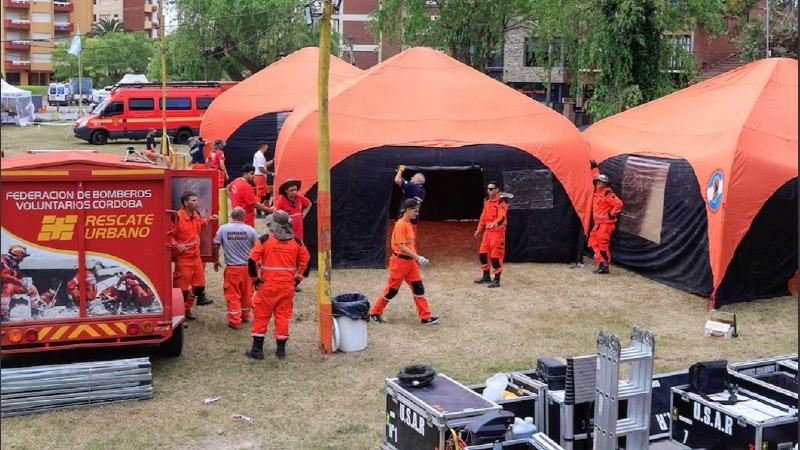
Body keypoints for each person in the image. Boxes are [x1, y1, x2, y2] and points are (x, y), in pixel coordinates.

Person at [244, 210, 310, 360]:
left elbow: (251, 261)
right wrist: (297, 280)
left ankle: (257, 350)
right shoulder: (296, 242)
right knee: (282, 317)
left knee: (261, 317)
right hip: (287, 287)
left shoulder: (265, 240)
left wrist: (255, 280)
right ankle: (281, 351)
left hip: (267, 286)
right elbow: (306, 262)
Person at [369, 198, 439, 325]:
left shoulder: (408, 223)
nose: (417, 214)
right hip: (400, 263)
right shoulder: (401, 224)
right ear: (407, 210)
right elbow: (402, 246)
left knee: (418, 288)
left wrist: (415, 259)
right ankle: (374, 313)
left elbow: (409, 245)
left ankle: (425, 316)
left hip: (410, 263)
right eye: (415, 211)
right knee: (392, 290)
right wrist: (419, 257)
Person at [170, 191, 219, 320]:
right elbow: (168, 236)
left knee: (199, 286)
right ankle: (181, 314)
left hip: (196, 257)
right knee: (182, 289)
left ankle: (187, 309)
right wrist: (176, 244)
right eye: (193, 201)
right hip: (183, 259)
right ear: (185, 203)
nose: (197, 203)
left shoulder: (196, 215)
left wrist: (209, 219)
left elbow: (199, 225)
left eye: (197, 200)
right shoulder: (177, 217)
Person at [213, 207, 259, 330]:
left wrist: (216, 261)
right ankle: (245, 316)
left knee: (233, 295)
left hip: (232, 268)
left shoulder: (223, 229)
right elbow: (258, 248)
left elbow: (216, 245)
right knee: (247, 294)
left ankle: (234, 321)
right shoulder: (250, 230)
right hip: (248, 268)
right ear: (243, 217)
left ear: (231, 216)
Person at [273, 178, 312, 292]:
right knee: (287, 259)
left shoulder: (299, 198)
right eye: (291, 190)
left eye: (295, 190)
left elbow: (308, 203)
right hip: (287, 236)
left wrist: (303, 214)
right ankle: (286, 281)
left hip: (299, 235)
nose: (294, 192)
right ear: (286, 191)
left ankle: (293, 281)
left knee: (299, 259)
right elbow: (275, 216)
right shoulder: (281, 201)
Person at [474, 181, 509, 288]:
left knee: (496, 257)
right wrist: (479, 229)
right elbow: (483, 216)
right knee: (483, 254)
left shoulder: (502, 202)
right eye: (488, 189)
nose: (488, 191)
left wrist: (493, 224)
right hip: (488, 232)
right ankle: (486, 276)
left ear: (497, 190)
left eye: (491, 189)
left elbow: (501, 217)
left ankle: (497, 279)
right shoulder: (487, 201)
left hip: (497, 233)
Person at [589, 174, 624, 274]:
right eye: (597, 181)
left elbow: (619, 204)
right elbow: (596, 176)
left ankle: (605, 267)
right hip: (598, 224)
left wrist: (612, 214)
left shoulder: (607, 193)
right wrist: (594, 169)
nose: (599, 183)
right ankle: (602, 263)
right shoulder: (598, 191)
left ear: (606, 183)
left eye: (601, 181)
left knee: (602, 245)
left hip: (606, 225)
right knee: (593, 242)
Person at [1, 245, 30, 321]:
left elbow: (19, 278)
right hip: (3, 288)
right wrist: (20, 282)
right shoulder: (2, 262)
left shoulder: (14, 265)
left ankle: (37, 309)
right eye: (22, 257)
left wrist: (26, 285)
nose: (23, 260)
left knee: (31, 288)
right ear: (18, 257)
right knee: (9, 286)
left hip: (9, 287)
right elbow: (3, 276)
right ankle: (3, 314)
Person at [395, 165, 426, 232]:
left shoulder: (412, 186)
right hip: (414, 220)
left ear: (417, 180)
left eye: (413, 177)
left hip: (405, 220)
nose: (411, 177)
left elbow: (397, 180)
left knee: (401, 240)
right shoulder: (422, 191)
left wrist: (400, 170)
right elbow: (407, 192)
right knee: (411, 240)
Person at [252, 141, 274, 215]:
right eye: (266, 146)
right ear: (263, 146)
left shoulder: (258, 154)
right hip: (260, 177)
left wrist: (272, 161)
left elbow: (265, 164)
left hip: (261, 177)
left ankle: (266, 210)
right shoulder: (260, 156)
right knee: (261, 196)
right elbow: (261, 168)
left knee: (267, 194)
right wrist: (271, 173)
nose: (267, 147)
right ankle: (258, 212)